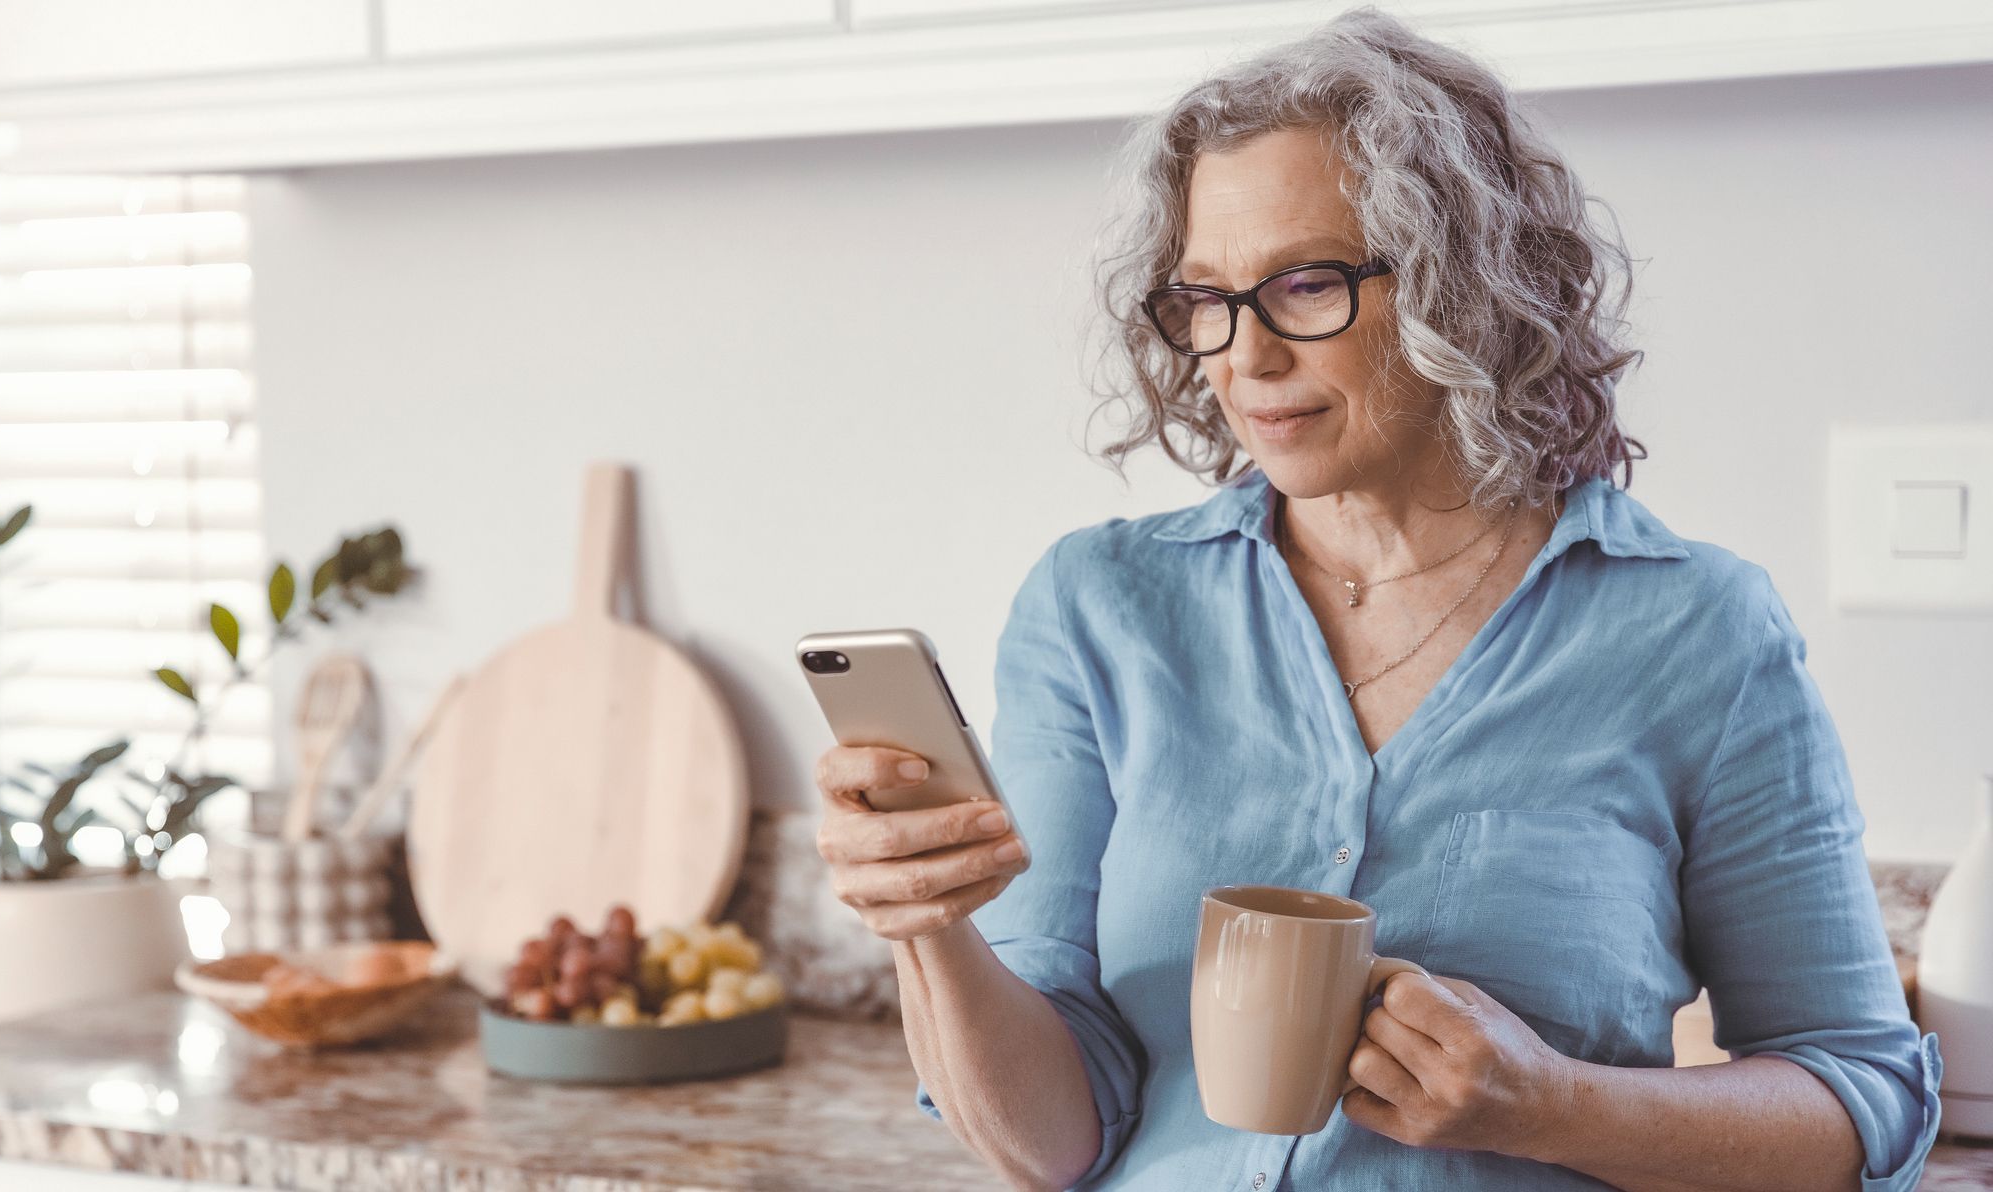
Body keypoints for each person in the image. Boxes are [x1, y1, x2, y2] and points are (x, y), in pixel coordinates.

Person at [808, 7, 1942, 1189]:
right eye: (1205, 298)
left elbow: (1864, 1103)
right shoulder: (1100, 609)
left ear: (1465, 286)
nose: (1241, 357)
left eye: (1303, 285)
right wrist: (926, 926)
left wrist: (1549, 1106)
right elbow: (1048, 1143)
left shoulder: (1694, 630)